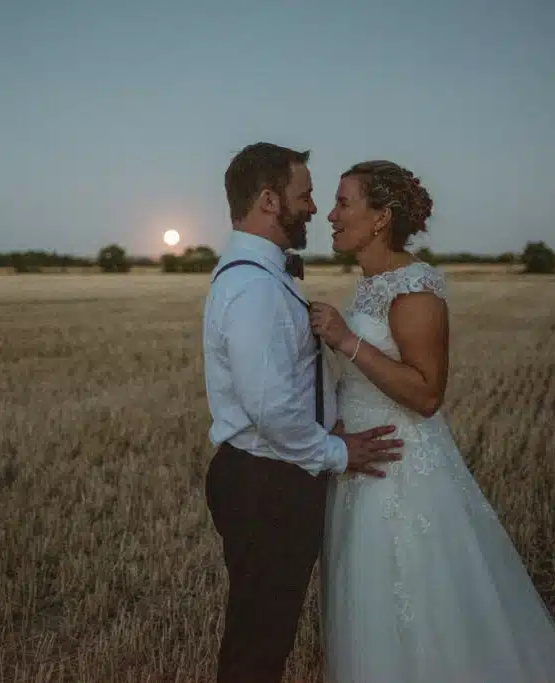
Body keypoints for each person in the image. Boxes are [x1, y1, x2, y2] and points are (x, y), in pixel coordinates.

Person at [309, 160, 555, 682]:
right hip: (359, 466)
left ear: (379, 218)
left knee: (416, 597)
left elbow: (427, 393)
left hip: (400, 468)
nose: (331, 213)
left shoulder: (414, 288)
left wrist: (348, 341)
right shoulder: (371, 284)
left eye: (344, 202)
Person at [201, 142, 404, 683]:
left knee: (263, 633)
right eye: (305, 194)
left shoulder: (262, 276)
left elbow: (284, 385)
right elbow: (271, 409)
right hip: (269, 480)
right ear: (269, 201)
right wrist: (337, 450)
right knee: (258, 645)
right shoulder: (254, 288)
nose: (315, 207)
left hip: (268, 474)